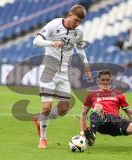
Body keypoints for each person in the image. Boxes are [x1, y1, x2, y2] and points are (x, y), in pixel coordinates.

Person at [32, 4, 92, 149]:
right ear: (70, 14)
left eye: (79, 22)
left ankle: (40, 119)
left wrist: (86, 66)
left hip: (64, 73)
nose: (77, 24)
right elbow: (35, 42)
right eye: (76, 20)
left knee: (64, 109)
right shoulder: (54, 25)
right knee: (46, 106)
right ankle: (43, 139)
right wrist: (52, 43)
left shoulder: (78, 31)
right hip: (49, 70)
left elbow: (79, 48)